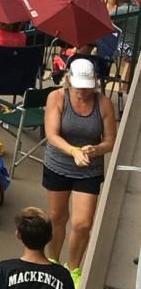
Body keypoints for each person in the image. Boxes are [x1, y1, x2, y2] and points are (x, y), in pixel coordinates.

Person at [42, 58, 117, 275]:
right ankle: (53, 262)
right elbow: (52, 135)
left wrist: (95, 150)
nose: (82, 92)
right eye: (77, 87)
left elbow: (110, 141)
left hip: (89, 169)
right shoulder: (57, 97)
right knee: (57, 217)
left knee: (83, 224)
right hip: (58, 164)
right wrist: (73, 151)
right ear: (68, 82)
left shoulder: (103, 104)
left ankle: (73, 269)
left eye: (87, 87)